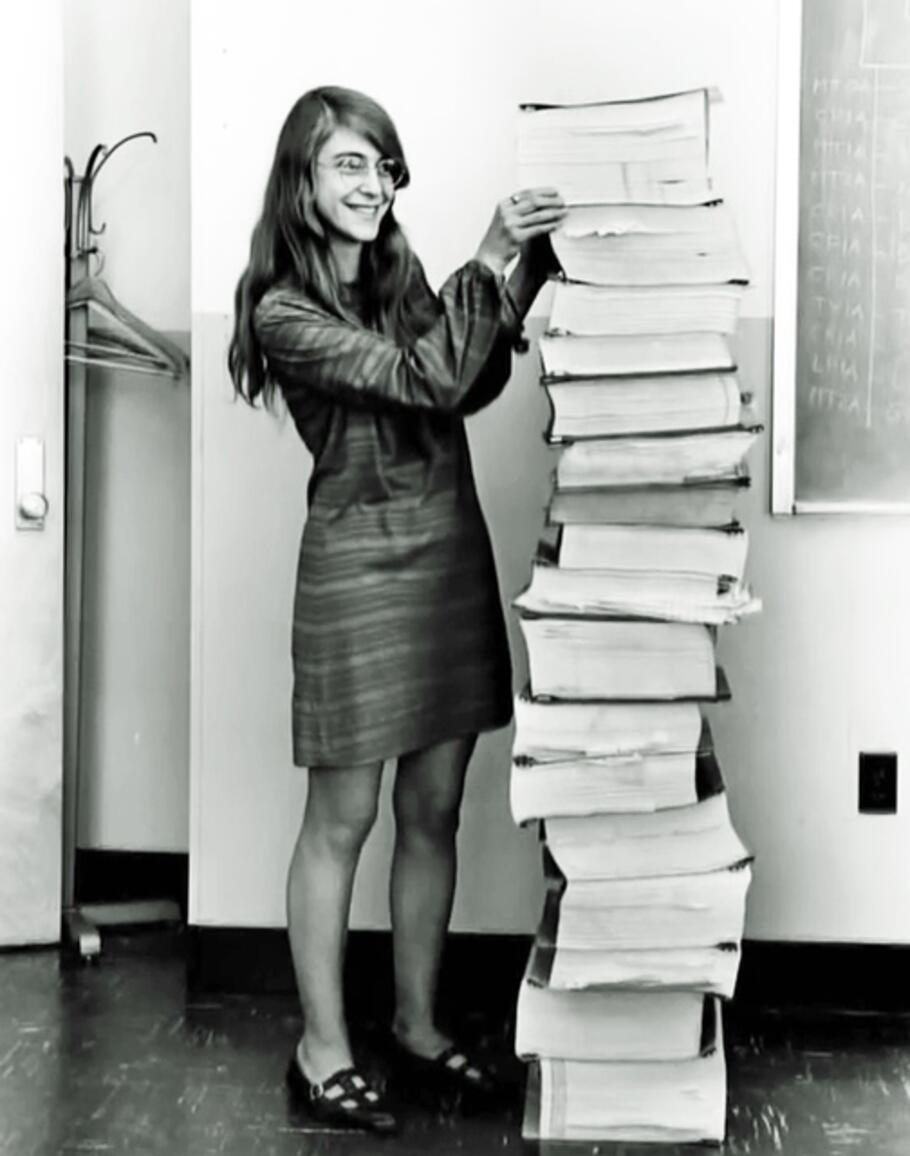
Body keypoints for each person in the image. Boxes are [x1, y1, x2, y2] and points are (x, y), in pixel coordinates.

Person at [229, 85, 565, 1134]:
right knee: (343, 820)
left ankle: (416, 1025)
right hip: (357, 571)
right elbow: (423, 377)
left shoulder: (398, 274)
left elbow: (465, 380)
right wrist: (488, 255)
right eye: (349, 164)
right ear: (301, 179)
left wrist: (526, 270)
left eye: (381, 166)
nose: (372, 184)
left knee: (432, 810)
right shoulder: (283, 311)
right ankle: (322, 1049)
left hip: (443, 554)